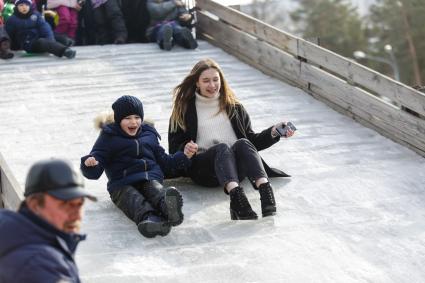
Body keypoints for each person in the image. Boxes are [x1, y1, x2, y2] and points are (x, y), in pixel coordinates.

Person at [168, 58, 295, 220]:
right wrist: (185, 149)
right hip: (205, 170)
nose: (212, 85)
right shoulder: (183, 110)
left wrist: (275, 131)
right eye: (206, 81)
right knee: (222, 148)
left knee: (242, 143)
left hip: (236, 170)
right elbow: (174, 148)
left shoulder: (234, 107)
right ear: (197, 83)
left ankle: (265, 191)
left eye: (215, 80)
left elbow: (251, 142)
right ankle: (237, 200)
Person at [81, 95, 198, 238]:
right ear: (118, 120)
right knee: (132, 199)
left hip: (149, 177)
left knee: (155, 189)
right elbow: (96, 165)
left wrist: (185, 155)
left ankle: (168, 208)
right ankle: (150, 220)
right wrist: (90, 164)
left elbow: (165, 162)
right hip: (121, 183)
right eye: (128, 118)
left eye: (137, 117)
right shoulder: (108, 137)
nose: (133, 122)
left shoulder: (149, 134)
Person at [0, 159, 97, 283]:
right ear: (35, 205)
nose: (77, 216)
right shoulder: (41, 266)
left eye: (79, 204)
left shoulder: (12, 233)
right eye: (66, 205)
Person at [5, 0, 77, 58]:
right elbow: (8, 35)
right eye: (21, 5)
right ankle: (64, 51)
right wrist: (12, 47)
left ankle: (66, 41)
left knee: (54, 35)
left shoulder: (35, 15)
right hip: (29, 43)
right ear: (16, 7)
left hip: (39, 36)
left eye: (26, 5)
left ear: (30, 6)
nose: (24, 7)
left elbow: (45, 28)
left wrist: (50, 40)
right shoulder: (12, 20)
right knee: (42, 42)